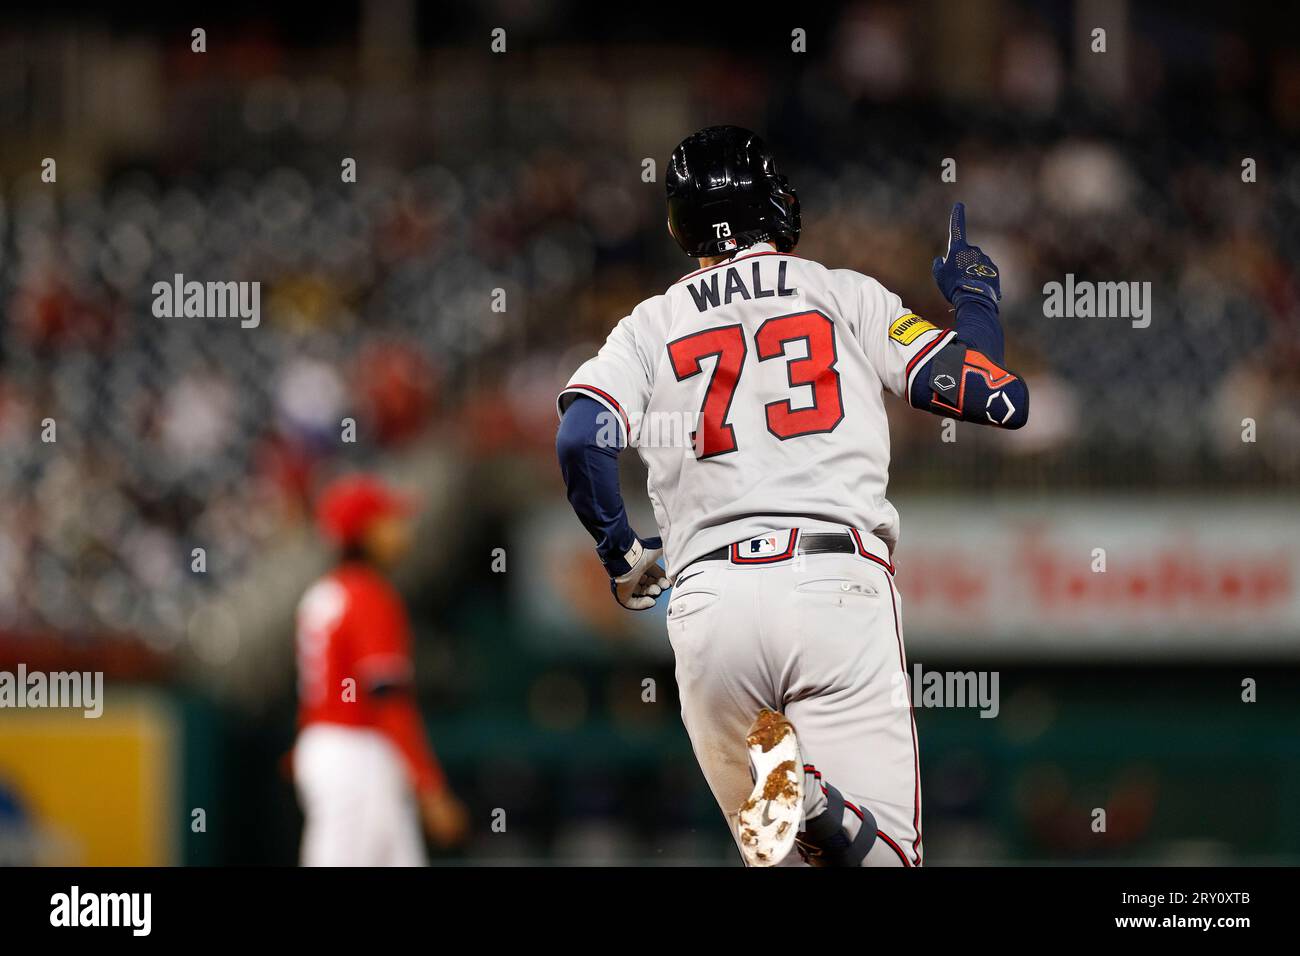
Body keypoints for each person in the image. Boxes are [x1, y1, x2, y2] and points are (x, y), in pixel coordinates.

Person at [555, 126, 1028, 866]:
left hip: (708, 603)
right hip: (835, 582)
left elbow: (581, 438)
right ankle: (807, 801)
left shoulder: (647, 327)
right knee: (889, 857)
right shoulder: (842, 292)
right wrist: (976, 301)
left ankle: (807, 809)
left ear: (680, 224)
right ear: (775, 203)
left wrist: (620, 555)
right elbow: (995, 398)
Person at [292, 473, 468, 866]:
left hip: (326, 745)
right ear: (365, 533)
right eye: (389, 521)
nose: (402, 530)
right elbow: (388, 699)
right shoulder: (369, 596)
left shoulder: (325, 591)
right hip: (359, 752)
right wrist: (431, 786)